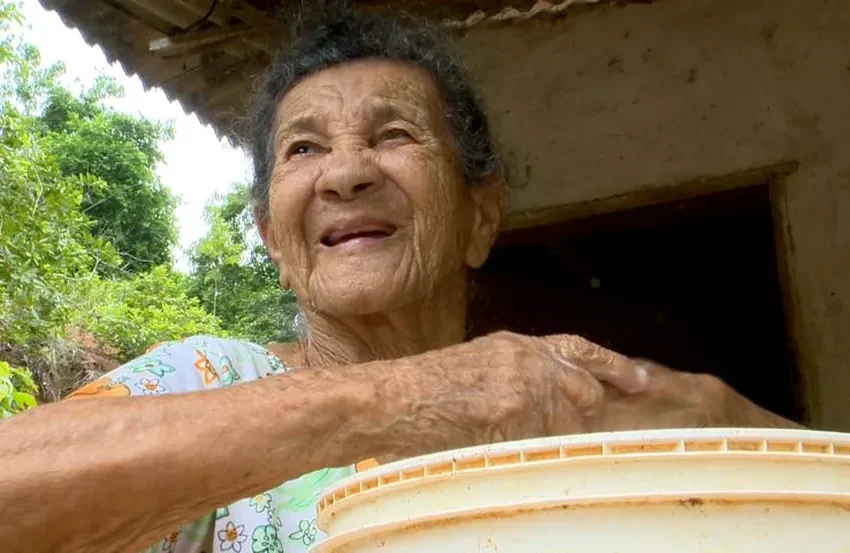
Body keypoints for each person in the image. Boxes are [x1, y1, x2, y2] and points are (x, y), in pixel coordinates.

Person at [0, 9, 799, 553]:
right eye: (303, 149)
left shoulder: (554, 400)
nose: (346, 173)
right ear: (275, 240)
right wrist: (404, 399)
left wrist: (734, 431)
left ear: (480, 218)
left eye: (394, 134)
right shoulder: (207, 382)